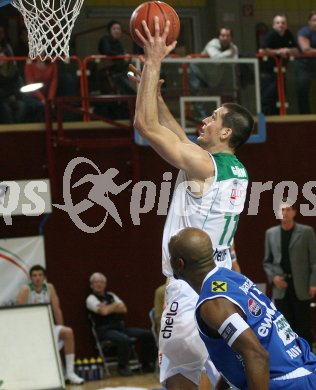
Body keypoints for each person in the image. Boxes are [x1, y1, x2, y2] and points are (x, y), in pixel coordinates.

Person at [132, 17, 254, 390]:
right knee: (223, 376)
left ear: (227, 132)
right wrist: (155, 95)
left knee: (177, 377)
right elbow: (177, 138)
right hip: (220, 281)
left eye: (214, 118)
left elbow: (146, 127)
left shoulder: (203, 166)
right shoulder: (236, 170)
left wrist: (153, 61)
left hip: (190, 287)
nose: (205, 119)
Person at [169, 226, 316, 390]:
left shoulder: (212, 303)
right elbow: (237, 353)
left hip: (286, 382)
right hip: (305, 370)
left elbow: (256, 355)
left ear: (178, 263)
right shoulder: (231, 277)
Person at [16, 264, 84, 385]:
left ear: (44, 277)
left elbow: (56, 309)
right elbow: (18, 314)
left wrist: (61, 327)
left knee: (67, 332)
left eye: (40, 275)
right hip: (30, 329)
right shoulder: (25, 290)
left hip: (47, 326)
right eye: (35, 275)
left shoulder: (50, 288)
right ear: (30, 278)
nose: (37, 278)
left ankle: (70, 373)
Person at [263, 198, 316, 348]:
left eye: (288, 209)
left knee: (303, 326)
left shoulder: (306, 232)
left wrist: (313, 283)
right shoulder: (270, 234)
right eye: (282, 210)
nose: (285, 213)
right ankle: (290, 359)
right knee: (284, 326)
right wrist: (273, 278)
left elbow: (314, 260)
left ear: (294, 212)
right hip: (281, 287)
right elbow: (267, 261)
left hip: (301, 285)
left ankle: (308, 359)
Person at [86, 272, 157, 376]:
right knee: (123, 339)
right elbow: (103, 312)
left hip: (120, 327)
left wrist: (108, 308)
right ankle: (122, 367)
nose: (98, 284)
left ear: (105, 284)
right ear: (91, 285)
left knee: (148, 334)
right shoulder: (90, 299)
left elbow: (123, 309)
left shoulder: (111, 295)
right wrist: (115, 306)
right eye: (96, 282)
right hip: (104, 330)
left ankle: (146, 364)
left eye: (101, 282)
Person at [189, 27, 239, 120]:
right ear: (218, 37)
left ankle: (213, 118)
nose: (225, 38)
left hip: (212, 76)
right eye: (223, 35)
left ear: (231, 37)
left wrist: (222, 58)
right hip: (198, 72)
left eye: (228, 36)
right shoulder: (212, 44)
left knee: (213, 97)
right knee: (198, 95)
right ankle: (200, 118)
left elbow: (234, 62)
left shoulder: (234, 47)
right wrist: (228, 54)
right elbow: (215, 59)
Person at [258, 14, 297, 115]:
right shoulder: (271, 35)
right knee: (267, 96)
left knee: (280, 96)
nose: (281, 25)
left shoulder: (288, 34)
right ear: (273, 25)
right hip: (267, 72)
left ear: (286, 25)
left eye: (283, 23)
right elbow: (262, 50)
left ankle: (279, 118)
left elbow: (295, 49)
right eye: (278, 23)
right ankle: (266, 120)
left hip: (281, 71)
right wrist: (278, 52)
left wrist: (287, 50)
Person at [98, 20, 135, 95]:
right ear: (110, 30)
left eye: (118, 29)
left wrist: (125, 58)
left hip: (122, 73)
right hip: (110, 73)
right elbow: (107, 51)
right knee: (131, 92)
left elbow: (122, 54)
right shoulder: (105, 39)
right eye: (114, 29)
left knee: (132, 91)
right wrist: (122, 57)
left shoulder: (118, 43)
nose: (117, 31)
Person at [295, 10, 316, 114]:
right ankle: (304, 116)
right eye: (314, 20)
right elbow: (306, 50)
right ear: (309, 21)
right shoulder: (304, 32)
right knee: (303, 91)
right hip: (304, 66)